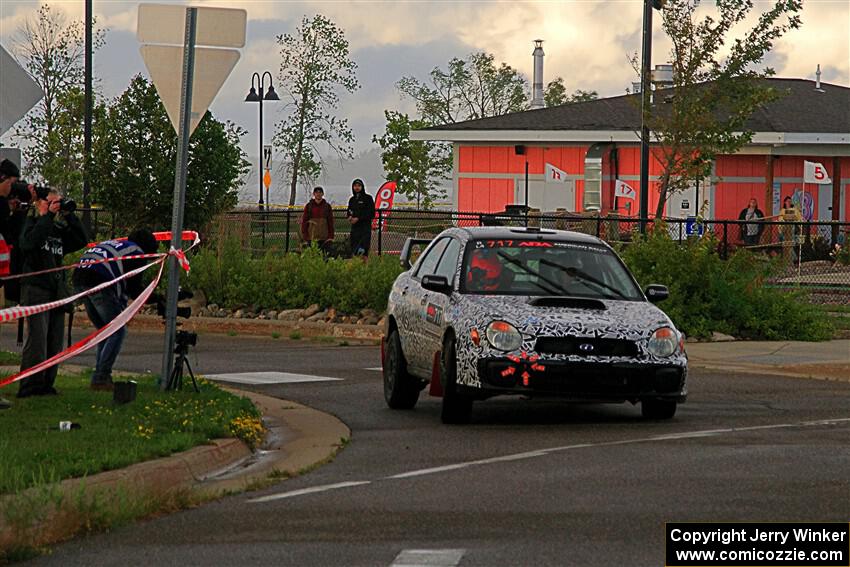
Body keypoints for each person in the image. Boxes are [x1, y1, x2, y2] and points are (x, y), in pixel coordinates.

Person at [16, 189, 88, 398]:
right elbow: (28, 244)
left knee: (54, 340)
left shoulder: (57, 228)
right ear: (41, 203)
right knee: (37, 339)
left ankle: (47, 384)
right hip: (36, 287)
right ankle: (30, 386)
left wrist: (69, 214)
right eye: (52, 202)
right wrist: (46, 216)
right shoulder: (32, 223)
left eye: (58, 202)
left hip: (56, 289)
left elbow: (81, 239)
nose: (55, 206)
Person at [72, 229, 159, 391]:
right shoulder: (136, 253)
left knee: (104, 331)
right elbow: (134, 290)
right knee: (117, 331)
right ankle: (101, 377)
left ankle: (101, 375)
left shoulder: (116, 244)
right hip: (98, 279)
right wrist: (158, 297)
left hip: (80, 277)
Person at [299, 186, 334, 253]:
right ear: (314, 194)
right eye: (316, 192)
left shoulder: (327, 206)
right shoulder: (309, 206)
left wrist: (330, 236)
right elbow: (305, 221)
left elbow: (330, 222)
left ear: (323, 194)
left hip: (324, 238)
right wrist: (305, 236)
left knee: (324, 256)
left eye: (320, 192)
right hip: (311, 237)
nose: (318, 194)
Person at [346, 178, 375, 257]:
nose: (357, 187)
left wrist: (358, 218)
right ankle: (356, 267)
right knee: (354, 250)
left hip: (365, 229)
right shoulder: (352, 200)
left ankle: (364, 268)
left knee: (364, 251)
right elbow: (349, 211)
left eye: (359, 186)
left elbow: (371, 213)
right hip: (355, 230)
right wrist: (349, 217)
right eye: (355, 186)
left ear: (362, 187)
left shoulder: (368, 198)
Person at [779, 195, 802, 260]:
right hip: (784, 230)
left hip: (792, 229)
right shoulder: (782, 210)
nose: (789, 202)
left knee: (791, 244)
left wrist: (800, 227)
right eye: (787, 201)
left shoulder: (795, 210)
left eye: (790, 201)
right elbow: (780, 219)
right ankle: (785, 257)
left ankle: (792, 258)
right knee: (784, 245)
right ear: (784, 202)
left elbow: (799, 218)